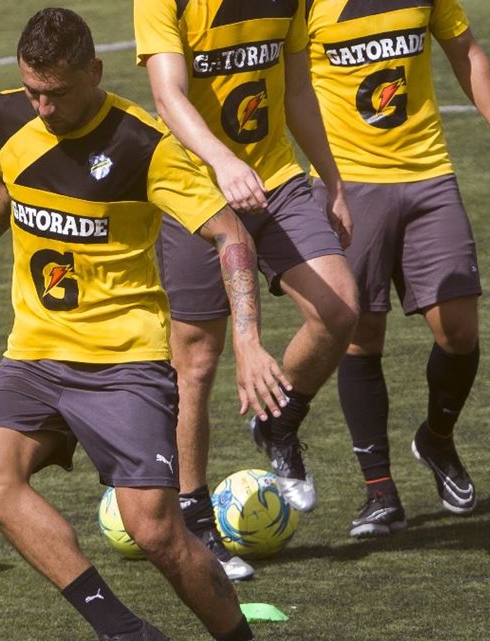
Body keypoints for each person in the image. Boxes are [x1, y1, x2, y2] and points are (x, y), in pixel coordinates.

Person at [0, 7, 289, 641]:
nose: (46, 106)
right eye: (35, 92)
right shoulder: (7, 115)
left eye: (60, 93)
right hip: (35, 354)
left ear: (95, 73)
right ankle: (120, 631)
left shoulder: (146, 144)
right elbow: (3, 188)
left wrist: (252, 342)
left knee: (155, 530)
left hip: (123, 365)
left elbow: (230, 235)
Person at [134, 0, 361, 579]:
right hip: (194, 189)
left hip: (277, 179)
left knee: (339, 311)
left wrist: (331, 179)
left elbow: (299, 91)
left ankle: (278, 422)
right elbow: (168, 96)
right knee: (198, 361)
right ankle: (194, 518)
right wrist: (222, 162)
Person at [302, 0, 490, 537]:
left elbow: (466, 51)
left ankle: (436, 438)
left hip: (429, 176)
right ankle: (379, 491)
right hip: (349, 185)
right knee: (361, 336)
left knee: (459, 331)